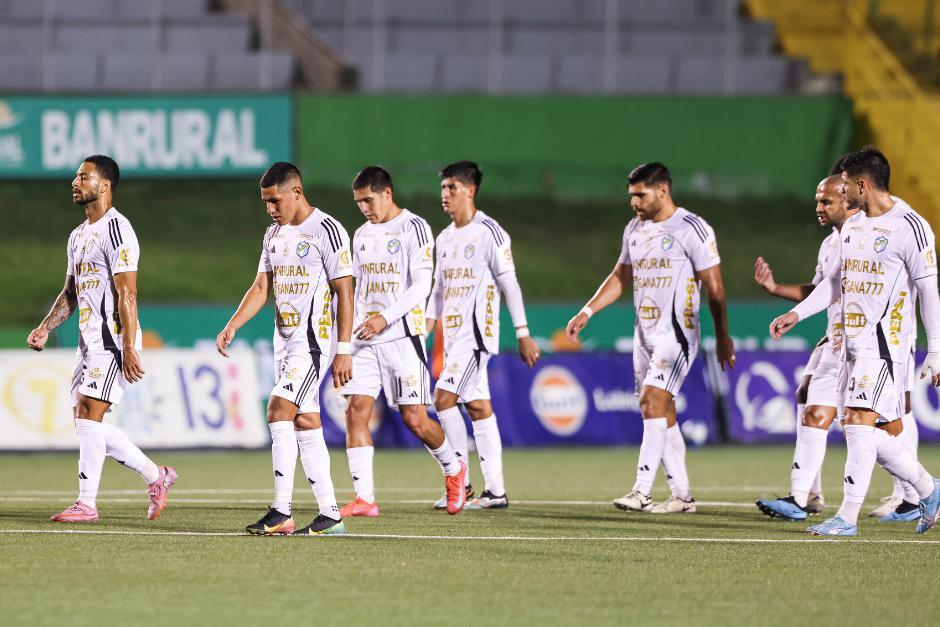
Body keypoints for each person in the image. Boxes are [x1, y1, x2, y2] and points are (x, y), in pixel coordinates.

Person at [770, 146, 940, 536]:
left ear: (862, 184)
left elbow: (929, 292)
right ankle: (930, 489)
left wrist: (936, 351)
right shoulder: (853, 227)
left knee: (860, 424)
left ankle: (846, 518)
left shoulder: (910, 227)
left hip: (885, 348)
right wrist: (797, 313)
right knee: (864, 429)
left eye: (844, 185)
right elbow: (833, 282)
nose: (840, 193)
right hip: (849, 346)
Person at [566, 162, 735, 514]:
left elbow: (715, 288)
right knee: (663, 410)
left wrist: (723, 336)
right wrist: (587, 311)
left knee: (651, 400)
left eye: (640, 195)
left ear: (663, 190)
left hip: (677, 334)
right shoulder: (634, 229)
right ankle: (682, 496)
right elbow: (620, 276)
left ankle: (641, 490)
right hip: (644, 335)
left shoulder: (693, 228)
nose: (634, 202)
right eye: (631, 196)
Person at [28, 155, 176, 524]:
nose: (75, 182)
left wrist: (127, 346)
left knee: (90, 415)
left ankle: (87, 503)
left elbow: (128, 293)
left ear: (105, 185)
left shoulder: (117, 230)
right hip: (88, 341)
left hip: (113, 341)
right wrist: (47, 325)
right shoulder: (78, 235)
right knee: (86, 422)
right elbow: (70, 292)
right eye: (76, 177)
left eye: (83, 176)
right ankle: (157, 476)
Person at [216, 162, 353, 536]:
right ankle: (330, 514)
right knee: (305, 422)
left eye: (274, 200)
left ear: (296, 191)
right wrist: (233, 325)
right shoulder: (273, 234)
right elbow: (262, 286)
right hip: (284, 344)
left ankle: (281, 511)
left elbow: (344, 291)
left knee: (278, 409)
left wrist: (344, 349)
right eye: (265, 203)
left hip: (313, 344)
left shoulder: (328, 230)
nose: (270, 209)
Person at [339, 166, 467, 517]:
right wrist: (348, 340)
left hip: (401, 337)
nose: (364, 208)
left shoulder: (414, 227)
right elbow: (359, 288)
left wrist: (385, 318)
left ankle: (454, 470)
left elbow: (421, 286)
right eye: (358, 202)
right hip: (366, 340)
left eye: (368, 200)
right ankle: (365, 498)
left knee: (415, 419)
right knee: (355, 410)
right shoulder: (361, 234)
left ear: (387, 194)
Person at [426, 161, 541, 509]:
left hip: (477, 337)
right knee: (477, 407)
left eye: (452, 188)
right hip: (455, 337)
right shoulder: (444, 237)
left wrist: (523, 333)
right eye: (443, 188)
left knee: (443, 400)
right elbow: (438, 291)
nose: (444, 195)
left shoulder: (489, 232)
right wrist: (424, 331)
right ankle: (495, 491)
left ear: (470, 190)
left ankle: (460, 480)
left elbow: (510, 284)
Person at [754, 169, 857, 520]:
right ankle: (803, 497)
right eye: (817, 200)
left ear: (848, 196)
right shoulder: (831, 243)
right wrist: (778, 292)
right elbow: (823, 290)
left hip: (871, 346)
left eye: (825, 200)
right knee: (810, 402)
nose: (819, 206)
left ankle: (920, 490)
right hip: (836, 341)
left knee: (882, 428)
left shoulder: (874, 236)